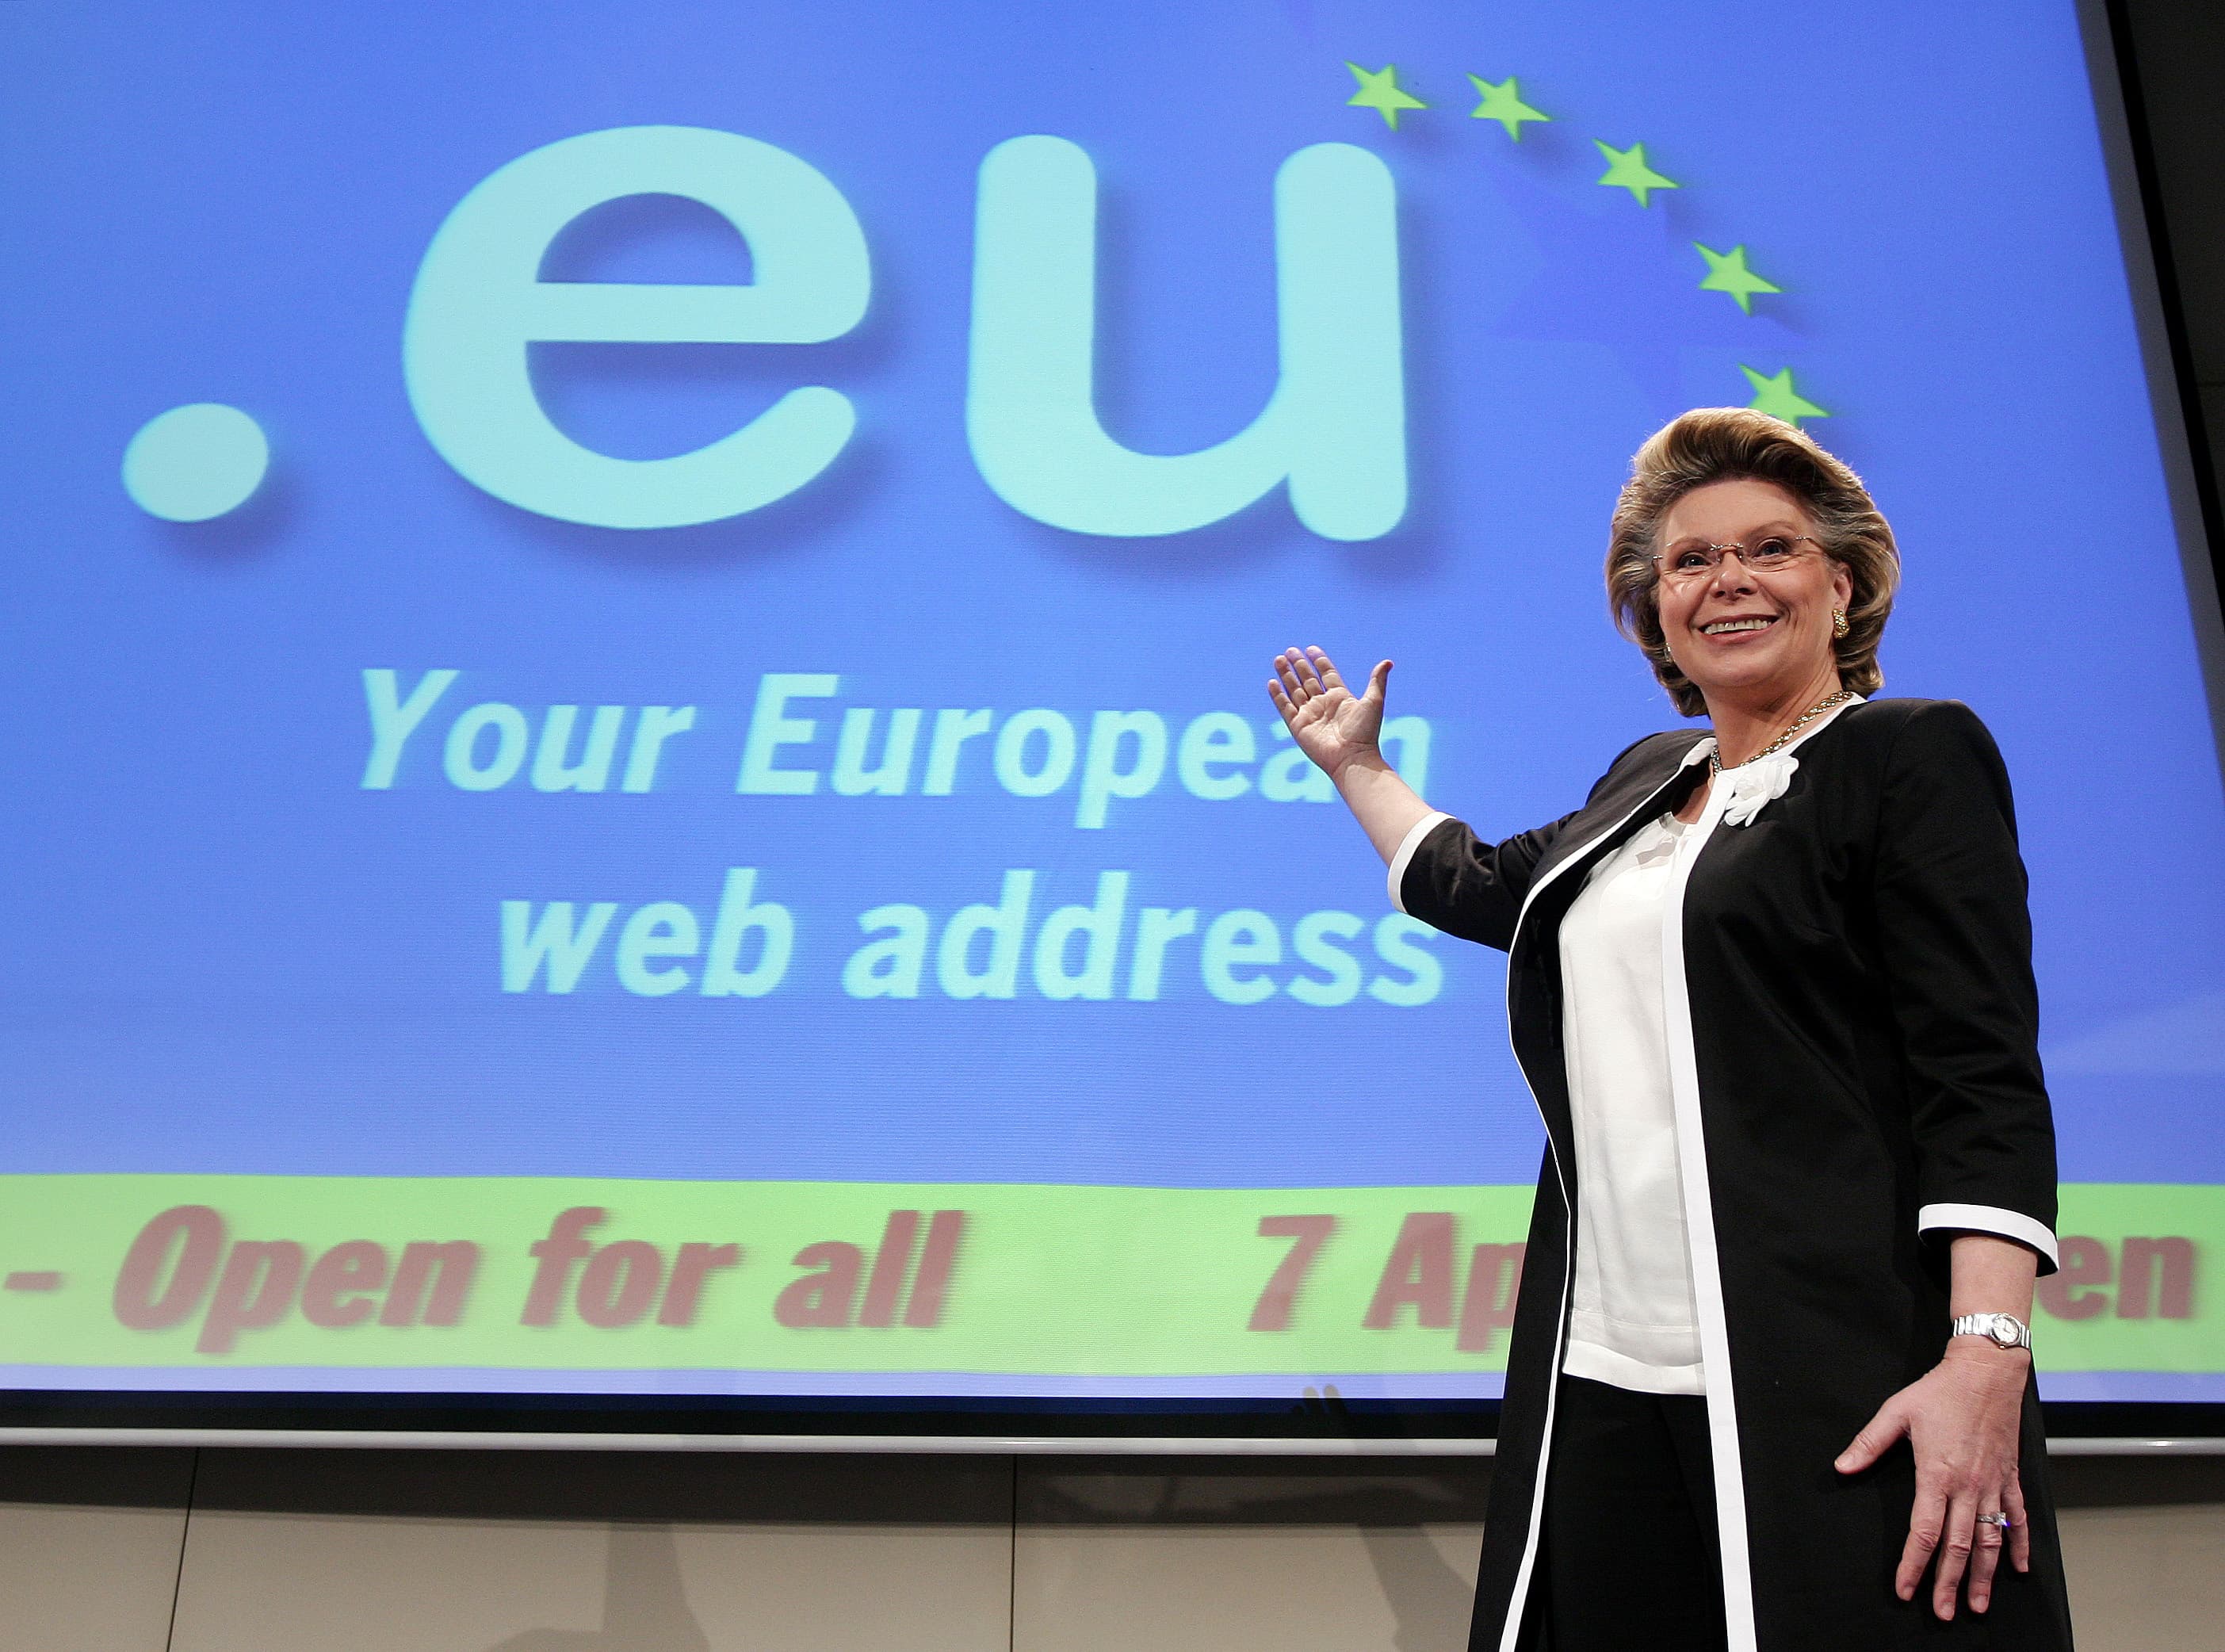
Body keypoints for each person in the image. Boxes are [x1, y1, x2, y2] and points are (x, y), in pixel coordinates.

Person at [1268, 407, 2074, 1651]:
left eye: (1773, 547)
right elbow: (1488, 889)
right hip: (1602, 1371)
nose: (1729, 581)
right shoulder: (1653, 776)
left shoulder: (1906, 756)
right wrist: (1355, 768)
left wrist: (1987, 1357)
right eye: (1691, 562)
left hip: (1828, 1371)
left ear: (1842, 585)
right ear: (1655, 612)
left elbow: (1980, 1077)